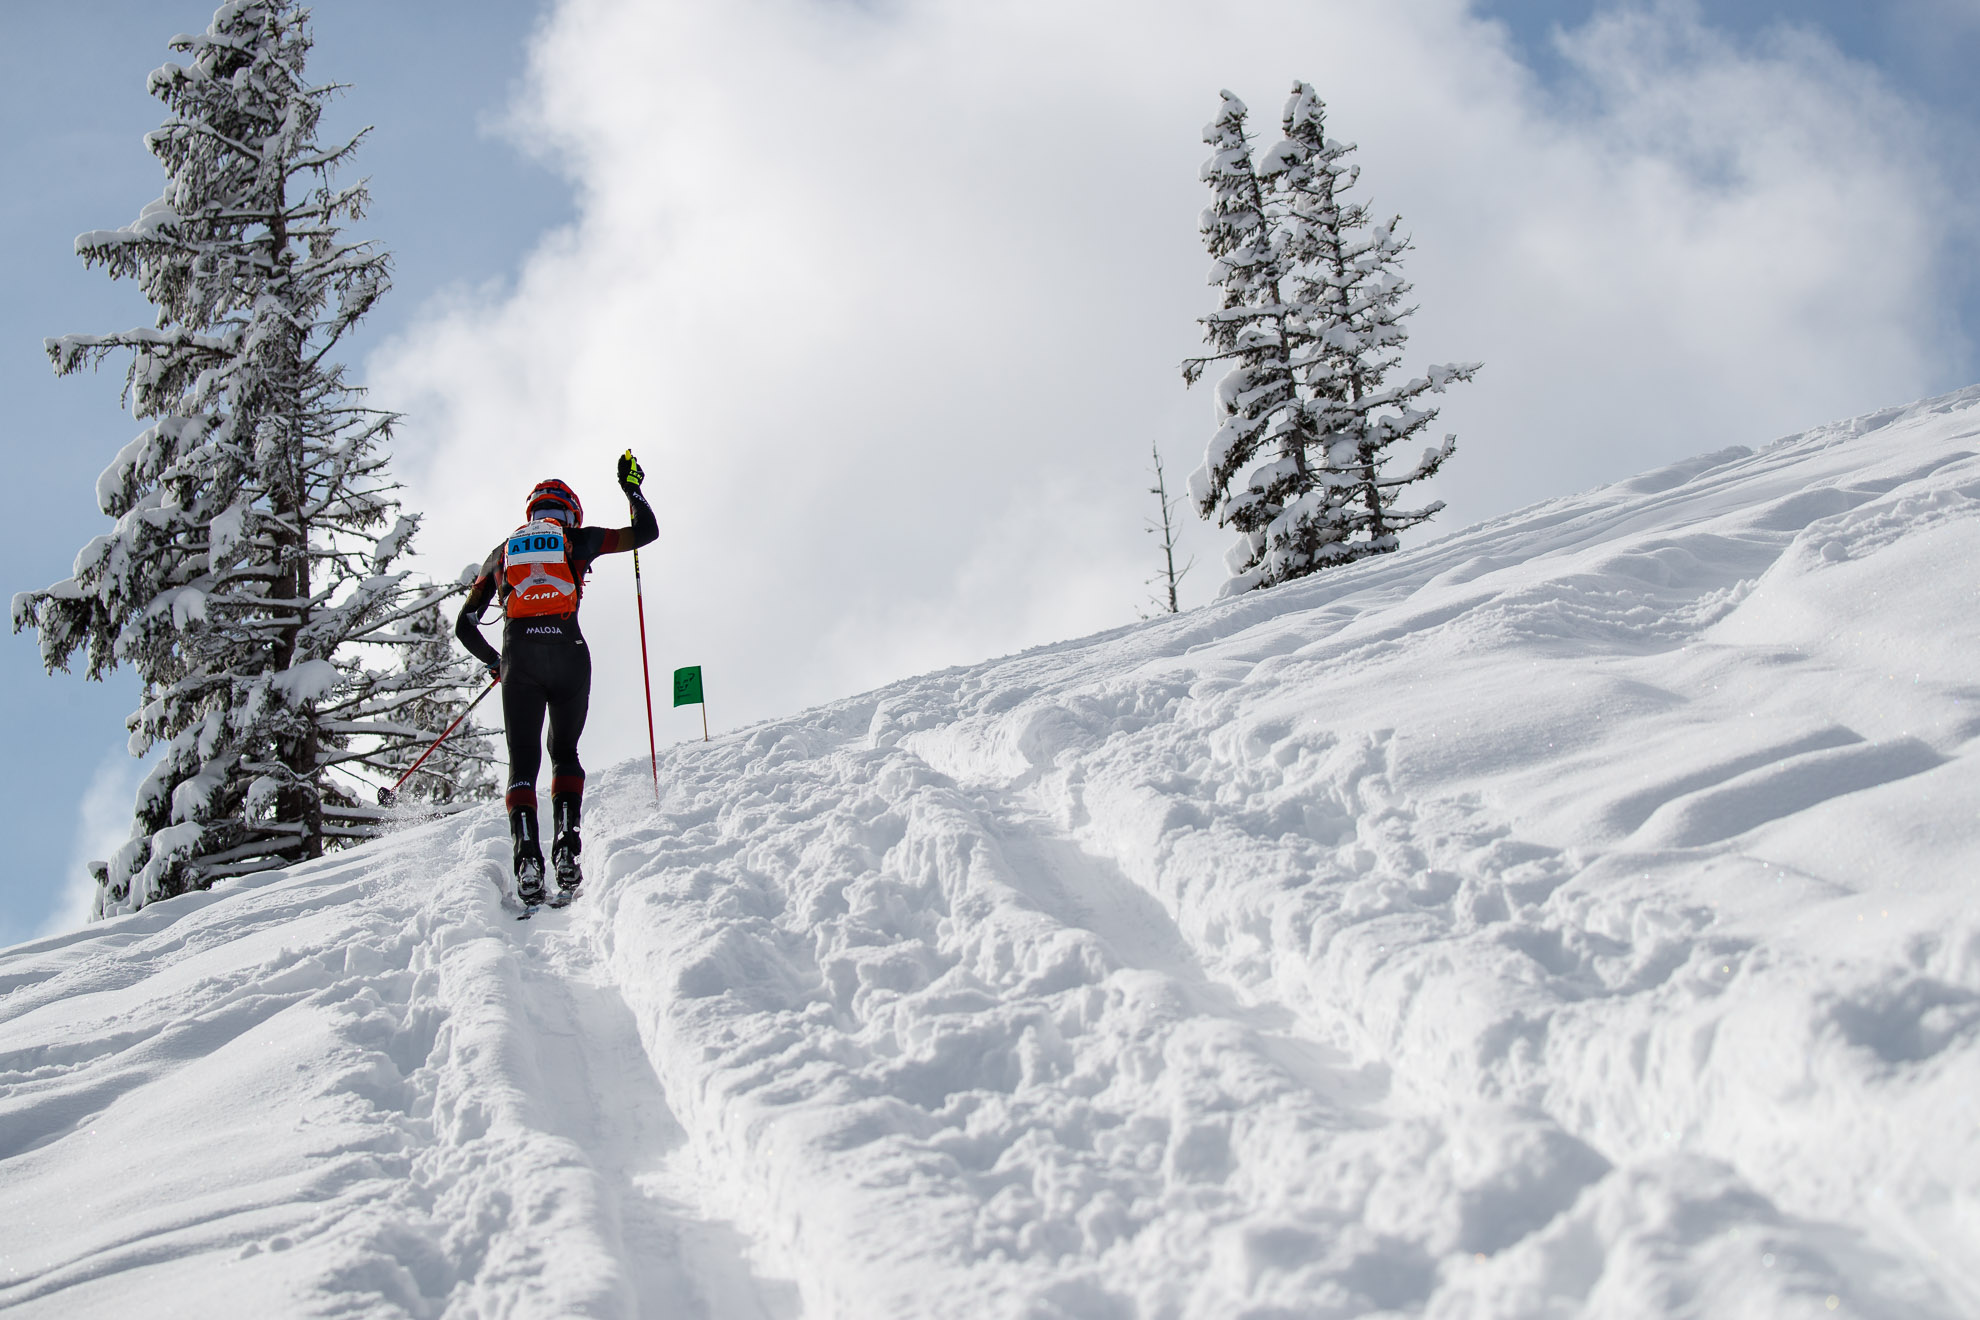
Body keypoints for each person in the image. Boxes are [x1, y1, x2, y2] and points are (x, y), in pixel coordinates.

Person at [456, 451, 656, 904]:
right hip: (570, 655)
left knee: (522, 764)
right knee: (564, 753)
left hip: (519, 659)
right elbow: (647, 532)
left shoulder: (502, 553)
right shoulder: (579, 540)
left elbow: (463, 626)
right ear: (570, 513)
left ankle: (526, 855)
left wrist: (496, 664)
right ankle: (567, 848)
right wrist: (632, 489)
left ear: (533, 513)